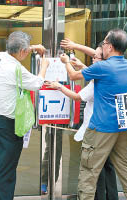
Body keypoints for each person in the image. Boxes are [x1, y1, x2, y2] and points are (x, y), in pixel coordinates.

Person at [59, 29, 127, 200]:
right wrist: (78, 49)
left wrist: (66, 61)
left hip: (101, 128)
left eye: (104, 43)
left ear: (110, 47)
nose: (101, 46)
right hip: (123, 127)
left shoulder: (101, 67)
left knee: (89, 172)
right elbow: (99, 58)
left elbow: (74, 75)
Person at [46, 44, 118, 200]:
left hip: (96, 129)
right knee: (107, 166)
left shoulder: (97, 81)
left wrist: (60, 83)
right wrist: (82, 65)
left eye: (96, 57)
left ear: (102, 60)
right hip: (109, 128)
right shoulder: (110, 73)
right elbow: (94, 75)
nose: (93, 58)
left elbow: (77, 94)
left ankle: (98, 196)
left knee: (94, 168)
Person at [0, 31, 49, 200]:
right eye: (27, 50)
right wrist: (44, 66)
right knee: (6, 169)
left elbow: (18, 49)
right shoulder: (15, 68)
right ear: (22, 51)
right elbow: (37, 84)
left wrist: (33, 47)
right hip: (8, 126)